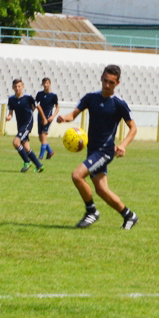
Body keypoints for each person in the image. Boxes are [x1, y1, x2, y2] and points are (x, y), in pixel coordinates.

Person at [56, 64, 139, 229]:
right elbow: (73, 114)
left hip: (105, 151)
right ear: (101, 78)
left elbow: (133, 128)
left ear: (118, 83)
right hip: (92, 150)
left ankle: (91, 211)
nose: (107, 85)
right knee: (102, 190)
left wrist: (123, 144)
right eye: (105, 81)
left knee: (77, 175)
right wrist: (64, 118)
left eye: (112, 83)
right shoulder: (90, 98)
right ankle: (129, 215)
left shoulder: (119, 104)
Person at [5, 79, 43, 173]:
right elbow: (11, 112)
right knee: (26, 147)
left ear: (23, 87)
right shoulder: (11, 99)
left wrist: (44, 119)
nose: (17, 88)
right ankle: (39, 165)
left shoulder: (28, 97)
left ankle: (26, 162)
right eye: (15, 87)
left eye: (19, 86)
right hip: (20, 124)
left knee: (16, 142)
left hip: (27, 123)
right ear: (13, 88)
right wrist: (9, 117)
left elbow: (37, 107)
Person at [35, 77, 59, 160]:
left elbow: (57, 107)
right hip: (40, 117)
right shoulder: (39, 94)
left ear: (50, 84)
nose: (46, 85)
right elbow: (36, 104)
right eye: (44, 83)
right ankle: (50, 151)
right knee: (40, 138)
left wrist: (53, 116)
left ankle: (40, 156)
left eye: (47, 83)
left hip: (48, 118)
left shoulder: (53, 96)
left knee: (44, 135)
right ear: (42, 84)